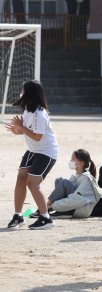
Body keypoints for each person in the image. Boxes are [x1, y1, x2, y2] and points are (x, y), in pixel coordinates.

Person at [6, 80, 58, 229]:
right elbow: (28, 133)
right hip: (33, 150)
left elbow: (37, 136)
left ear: (29, 93)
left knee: (32, 183)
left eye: (23, 90)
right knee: (21, 178)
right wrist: (18, 130)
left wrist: (21, 126)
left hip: (47, 152)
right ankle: (18, 215)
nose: (21, 93)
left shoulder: (40, 113)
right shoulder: (28, 110)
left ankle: (46, 218)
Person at [46, 149, 101, 218]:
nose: (71, 161)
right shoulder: (75, 176)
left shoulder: (86, 179)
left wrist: (52, 206)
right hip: (76, 204)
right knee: (59, 180)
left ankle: (46, 207)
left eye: (73, 159)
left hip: (81, 209)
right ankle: (54, 209)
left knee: (64, 182)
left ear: (81, 163)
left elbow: (78, 200)